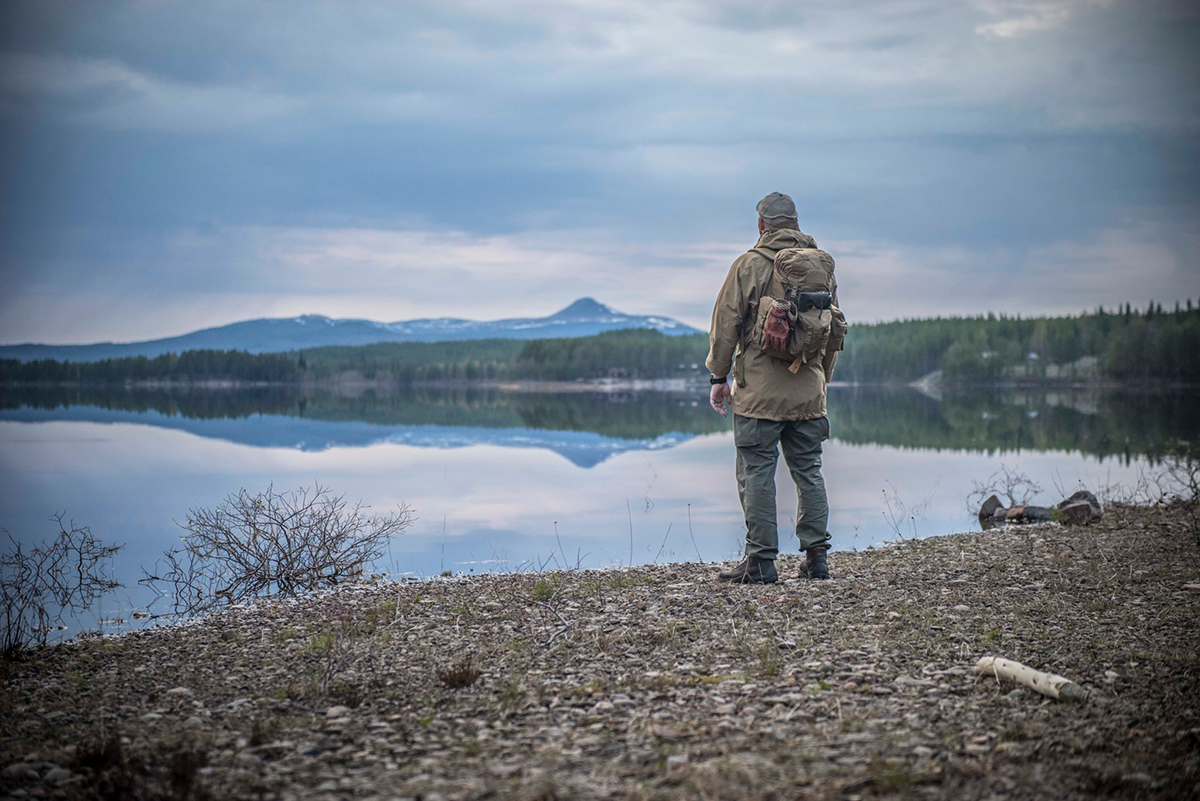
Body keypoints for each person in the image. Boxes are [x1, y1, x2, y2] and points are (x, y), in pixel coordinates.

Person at [705, 192, 843, 583]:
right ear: (796, 223)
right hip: (809, 393)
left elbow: (725, 325)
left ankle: (761, 563)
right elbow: (832, 331)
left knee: (756, 473)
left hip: (759, 396)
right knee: (809, 471)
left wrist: (718, 378)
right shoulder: (822, 268)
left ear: (762, 225)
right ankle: (817, 559)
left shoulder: (748, 265)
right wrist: (821, 380)